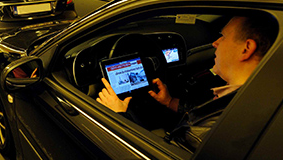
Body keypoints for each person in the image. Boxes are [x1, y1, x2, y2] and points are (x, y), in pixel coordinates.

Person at [97, 15, 277, 151]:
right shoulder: (256, 95)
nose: (215, 43)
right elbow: (203, 114)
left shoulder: (198, 135)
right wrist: (170, 102)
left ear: (246, 49)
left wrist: (119, 116)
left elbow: (158, 158)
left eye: (223, 37)